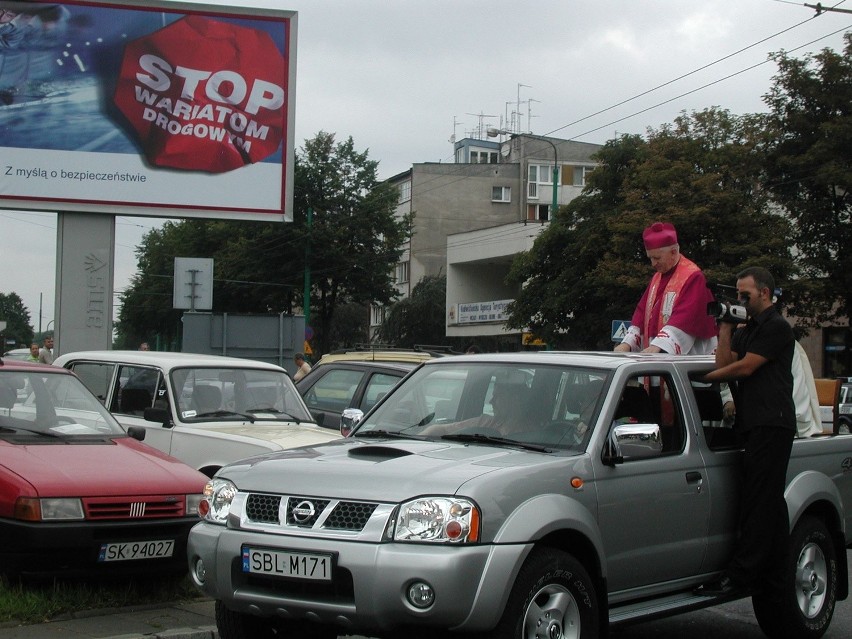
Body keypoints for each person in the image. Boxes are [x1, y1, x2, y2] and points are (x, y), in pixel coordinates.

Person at [695, 266, 796, 598]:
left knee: (758, 503)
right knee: (770, 504)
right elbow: (724, 363)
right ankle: (779, 577)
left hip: (772, 423)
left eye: (745, 295)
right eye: (737, 294)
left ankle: (741, 575)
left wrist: (707, 380)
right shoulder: (746, 329)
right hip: (752, 424)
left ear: (764, 293)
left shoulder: (778, 327)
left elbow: (745, 367)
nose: (739, 300)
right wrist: (725, 329)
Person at [615, 222, 717, 355]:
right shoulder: (657, 278)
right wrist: (627, 342)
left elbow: (685, 318)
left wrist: (659, 345)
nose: (653, 264)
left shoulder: (693, 277)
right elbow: (642, 313)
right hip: (655, 355)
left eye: (657, 258)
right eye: (650, 258)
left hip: (686, 359)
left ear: (674, 252)